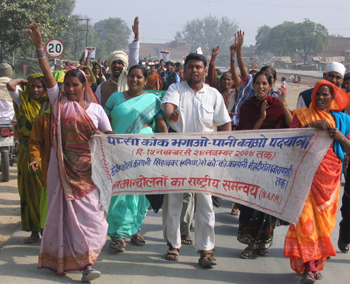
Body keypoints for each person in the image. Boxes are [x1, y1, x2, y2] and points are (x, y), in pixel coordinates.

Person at [27, 23, 113, 281]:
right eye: (68, 85)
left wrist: (100, 136)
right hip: (64, 172)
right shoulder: (58, 101)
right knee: (69, 219)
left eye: (76, 85)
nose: (71, 89)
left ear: (84, 85)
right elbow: (47, 75)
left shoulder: (96, 111)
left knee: (94, 221)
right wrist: (39, 48)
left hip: (90, 173)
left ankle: (87, 259)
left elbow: (109, 137)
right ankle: (83, 265)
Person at [161, 53, 232, 267]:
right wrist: (171, 115)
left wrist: (226, 147)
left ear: (204, 70)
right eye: (190, 67)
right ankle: (174, 245)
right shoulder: (176, 89)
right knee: (174, 201)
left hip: (205, 158)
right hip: (178, 156)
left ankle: (206, 250)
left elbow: (224, 122)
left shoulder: (213, 94)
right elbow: (168, 107)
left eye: (198, 67)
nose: (194, 70)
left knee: (205, 204)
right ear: (184, 69)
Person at [284, 80, 350, 284]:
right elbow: (289, 142)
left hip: (329, 182)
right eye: (318, 94)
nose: (321, 98)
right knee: (305, 222)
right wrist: (311, 126)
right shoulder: (301, 115)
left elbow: (349, 148)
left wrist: (339, 136)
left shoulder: (342, 121)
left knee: (324, 226)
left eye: (325, 95)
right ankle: (309, 268)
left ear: (333, 98)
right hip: (304, 178)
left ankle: (315, 262)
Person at [105, 64, 168, 252]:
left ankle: (136, 230)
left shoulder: (152, 100)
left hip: (144, 155)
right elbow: (105, 123)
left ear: (145, 80)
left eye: (139, 77)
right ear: (127, 78)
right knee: (118, 193)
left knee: (139, 194)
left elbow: (162, 127)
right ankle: (118, 235)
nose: (134, 79)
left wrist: (165, 150)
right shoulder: (115, 98)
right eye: (132, 76)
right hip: (118, 153)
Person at [237, 70, 291, 259]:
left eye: (264, 84)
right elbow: (245, 135)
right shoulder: (247, 106)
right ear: (253, 86)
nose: (261, 87)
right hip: (251, 162)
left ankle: (263, 242)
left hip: (273, 163)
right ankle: (250, 244)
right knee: (251, 203)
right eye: (257, 83)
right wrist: (261, 117)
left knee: (267, 204)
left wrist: (283, 103)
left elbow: (293, 127)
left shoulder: (277, 106)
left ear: (270, 85)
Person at [7, 73, 50, 244]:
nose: (35, 90)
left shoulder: (50, 102)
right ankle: (33, 230)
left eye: (40, 86)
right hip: (26, 152)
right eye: (33, 86)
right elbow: (10, 85)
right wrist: (23, 81)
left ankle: (46, 228)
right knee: (28, 191)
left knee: (44, 191)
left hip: (46, 152)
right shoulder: (22, 101)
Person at [231, 31, 278, 129]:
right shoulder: (247, 104)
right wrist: (238, 48)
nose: (261, 86)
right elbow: (242, 68)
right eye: (258, 82)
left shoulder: (276, 100)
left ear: (271, 83)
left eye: (266, 82)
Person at [95, 17, 140, 107]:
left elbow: (134, 62)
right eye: (114, 63)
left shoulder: (130, 82)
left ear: (124, 65)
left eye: (119, 63)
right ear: (110, 65)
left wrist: (136, 37)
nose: (116, 65)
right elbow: (97, 107)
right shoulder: (102, 87)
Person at [29, 108, 51, 229]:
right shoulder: (44, 118)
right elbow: (35, 142)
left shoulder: (79, 115)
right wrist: (35, 157)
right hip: (51, 168)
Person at [208, 46, 235, 110]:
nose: (226, 82)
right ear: (220, 81)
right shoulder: (218, 91)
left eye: (228, 79)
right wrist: (213, 58)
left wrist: (233, 54)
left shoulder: (236, 93)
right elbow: (211, 77)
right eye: (224, 79)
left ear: (233, 81)